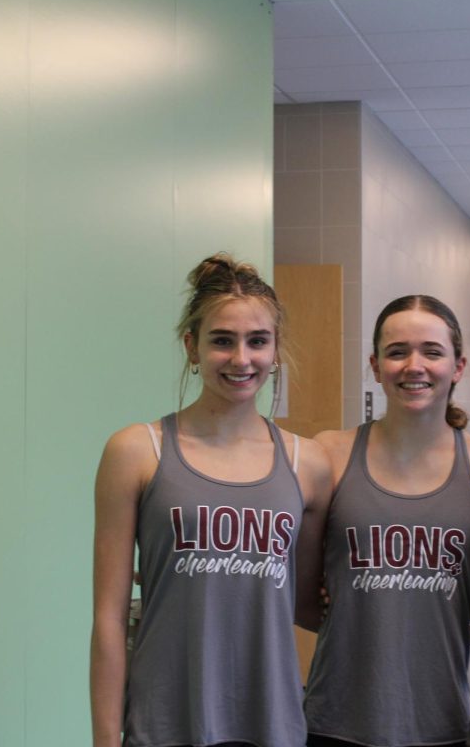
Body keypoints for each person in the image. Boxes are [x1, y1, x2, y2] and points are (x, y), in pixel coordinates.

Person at [89, 254, 332, 747]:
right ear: (191, 347)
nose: (242, 359)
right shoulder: (137, 451)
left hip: (273, 725)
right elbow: (109, 619)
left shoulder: (309, 464)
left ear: (276, 349)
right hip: (163, 723)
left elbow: (308, 603)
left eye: (257, 341)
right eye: (222, 340)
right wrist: (103, 739)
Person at [304, 295, 470, 747]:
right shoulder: (330, 453)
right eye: (397, 352)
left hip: (443, 720)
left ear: (458, 366)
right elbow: (300, 587)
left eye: (432, 352)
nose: (414, 365)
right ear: (376, 366)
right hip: (334, 720)